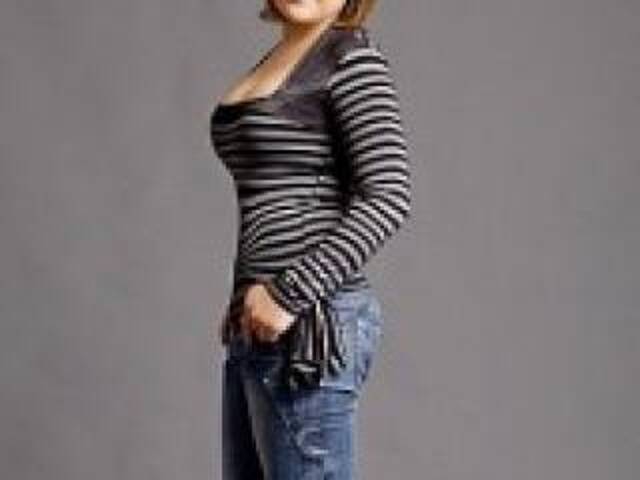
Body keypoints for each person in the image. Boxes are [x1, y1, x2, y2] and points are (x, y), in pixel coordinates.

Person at [209, 1, 412, 478]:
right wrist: (245, 295)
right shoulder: (285, 56)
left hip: (310, 328)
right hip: (260, 327)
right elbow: (274, 196)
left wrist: (286, 294)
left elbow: (390, 195)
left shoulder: (350, 59)